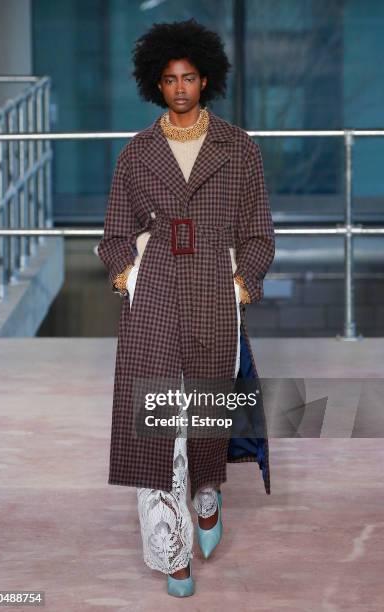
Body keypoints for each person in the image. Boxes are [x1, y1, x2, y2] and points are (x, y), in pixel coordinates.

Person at [97, 18, 275, 598]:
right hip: (151, 297)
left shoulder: (237, 148)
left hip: (214, 298)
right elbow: (114, 234)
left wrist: (241, 286)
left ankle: (206, 493)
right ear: (156, 83)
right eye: (169, 79)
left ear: (206, 80)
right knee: (156, 429)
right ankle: (172, 555)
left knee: (201, 422)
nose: (179, 88)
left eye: (189, 78)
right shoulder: (136, 154)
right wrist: (127, 272)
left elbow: (259, 235)